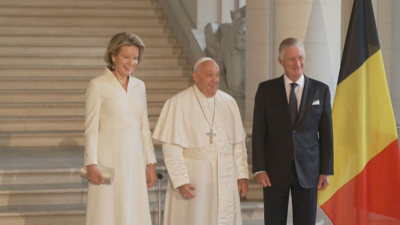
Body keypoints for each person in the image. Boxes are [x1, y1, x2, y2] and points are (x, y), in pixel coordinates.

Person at [152, 57, 249, 225]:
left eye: (217, 75)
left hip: (225, 176)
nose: (215, 80)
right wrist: (181, 180)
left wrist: (242, 175)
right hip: (195, 178)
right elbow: (171, 149)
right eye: (209, 75)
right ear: (195, 77)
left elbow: (238, 145)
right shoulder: (178, 103)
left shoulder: (229, 102)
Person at [252, 37, 333, 225]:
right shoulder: (266, 90)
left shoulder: (321, 90)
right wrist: (259, 169)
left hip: (309, 170)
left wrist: (325, 171)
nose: (298, 63)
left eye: (301, 57)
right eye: (291, 59)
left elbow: (327, 134)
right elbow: (259, 133)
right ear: (281, 61)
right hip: (273, 171)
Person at [84, 32, 157, 225]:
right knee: (106, 210)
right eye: (126, 57)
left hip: (135, 157)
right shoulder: (97, 85)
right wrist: (91, 164)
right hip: (108, 157)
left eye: (135, 58)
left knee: (134, 208)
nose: (131, 63)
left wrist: (151, 163)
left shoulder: (139, 86)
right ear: (113, 56)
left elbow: (144, 127)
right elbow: (91, 129)